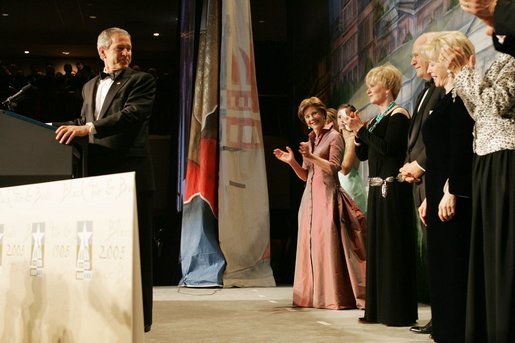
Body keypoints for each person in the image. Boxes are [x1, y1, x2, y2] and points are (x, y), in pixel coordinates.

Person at [54, 27, 156, 333]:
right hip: (97, 177)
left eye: (129, 48)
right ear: (102, 52)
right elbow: (84, 119)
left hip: (132, 174)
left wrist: (89, 129)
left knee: (137, 251)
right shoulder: (87, 86)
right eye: (119, 48)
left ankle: (142, 319)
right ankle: (104, 314)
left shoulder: (142, 81)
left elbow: (131, 115)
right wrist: (54, 128)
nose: (126, 53)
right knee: (101, 249)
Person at [442, 25, 515, 343]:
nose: (490, 31)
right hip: (485, 157)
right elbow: (478, 111)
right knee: (488, 250)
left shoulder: (513, 62)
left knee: (504, 249)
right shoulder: (500, 62)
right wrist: (466, 76)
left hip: (505, 158)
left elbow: (497, 105)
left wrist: (463, 74)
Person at [273, 97, 367, 310]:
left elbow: (334, 168)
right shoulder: (309, 141)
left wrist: (311, 156)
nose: (312, 118)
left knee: (328, 247)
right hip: (309, 200)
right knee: (310, 247)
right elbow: (306, 176)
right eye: (308, 116)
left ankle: (335, 296)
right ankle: (312, 296)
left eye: (315, 113)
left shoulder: (334, 137)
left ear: (324, 115)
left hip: (328, 197)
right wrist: (293, 162)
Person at [344, 64, 418, 326]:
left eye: (372, 85)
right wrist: (356, 134)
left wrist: (361, 131)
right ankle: (376, 310)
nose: (368, 90)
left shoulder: (399, 115)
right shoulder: (376, 118)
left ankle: (396, 311)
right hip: (376, 189)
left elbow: (390, 149)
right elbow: (365, 155)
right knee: (378, 248)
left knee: (392, 248)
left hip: (392, 188)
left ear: (387, 87)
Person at [416, 31, 476, 343]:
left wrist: (451, 190)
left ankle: (455, 330)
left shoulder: (462, 97)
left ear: (449, 62)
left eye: (434, 62)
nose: (430, 68)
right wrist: (430, 196)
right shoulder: (446, 98)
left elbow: (462, 147)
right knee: (440, 263)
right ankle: (444, 327)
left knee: (453, 262)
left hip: (452, 190)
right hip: (437, 189)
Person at [400, 32, 444, 335]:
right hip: (421, 182)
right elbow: (419, 138)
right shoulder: (424, 91)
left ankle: (445, 318)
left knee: (441, 252)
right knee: (432, 253)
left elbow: (442, 140)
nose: (413, 60)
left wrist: (421, 165)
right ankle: (439, 317)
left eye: (417, 54)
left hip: (437, 182)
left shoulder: (443, 92)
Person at [336, 104, 367, 215]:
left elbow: (345, 169)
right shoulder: (338, 139)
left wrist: (325, 159)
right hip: (339, 185)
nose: (342, 120)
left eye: (345, 116)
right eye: (339, 117)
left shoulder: (352, 138)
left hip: (350, 186)